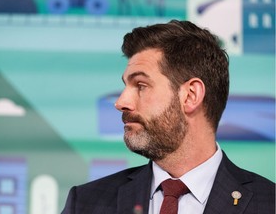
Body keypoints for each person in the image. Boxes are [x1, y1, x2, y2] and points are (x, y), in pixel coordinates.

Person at [61, 20, 275, 214]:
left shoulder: (269, 204)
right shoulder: (86, 203)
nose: (121, 102)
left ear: (190, 95)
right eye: (126, 85)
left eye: (141, 85)